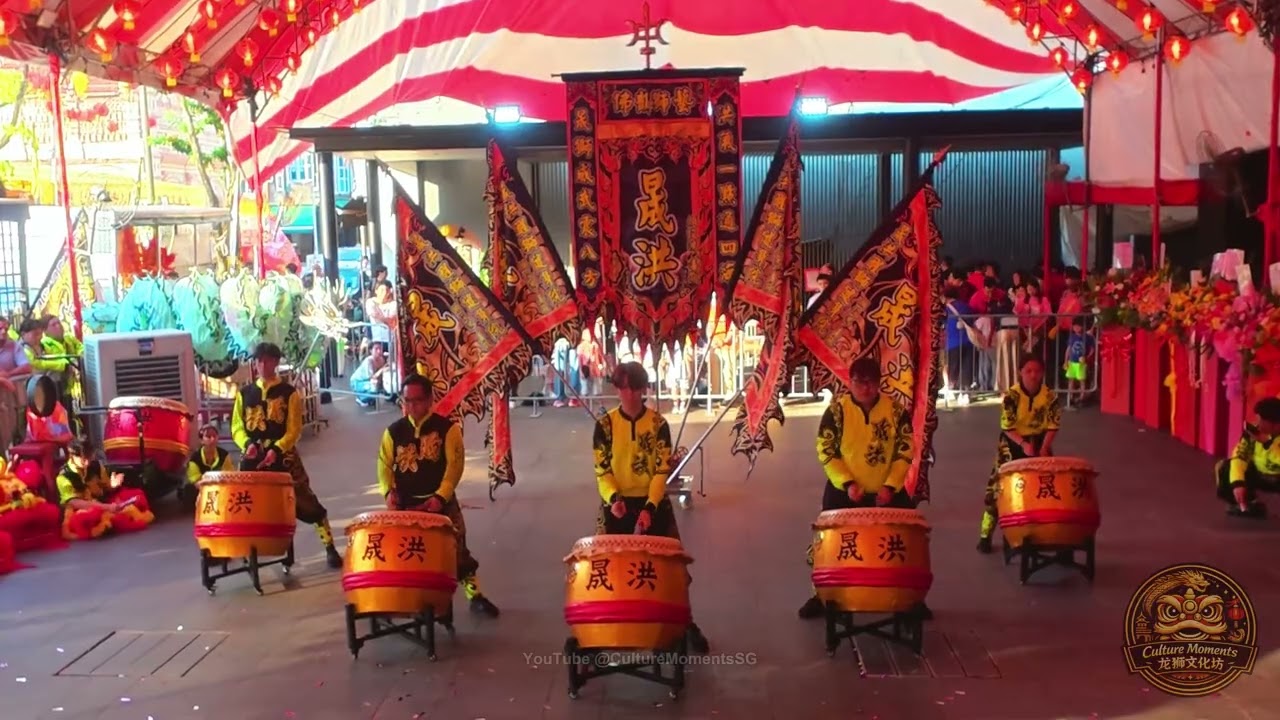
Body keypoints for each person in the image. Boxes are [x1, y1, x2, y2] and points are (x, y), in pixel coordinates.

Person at [594, 361, 709, 653]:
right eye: (622, 388)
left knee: (674, 568)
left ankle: (686, 621)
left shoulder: (658, 425)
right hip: (617, 502)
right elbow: (602, 471)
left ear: (643, 390)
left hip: (653, 500)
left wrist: (650, 507)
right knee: (607, 569)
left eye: (633, 388)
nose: (627, 394)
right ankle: (607, 625)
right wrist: (613, 499)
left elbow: (661, 472)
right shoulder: (604, 425)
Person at [798, 357, 916, 619]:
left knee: (909, 538)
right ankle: (821, 594)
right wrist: (847, 483)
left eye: (871, 383)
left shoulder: (895, 411)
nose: (865, 388)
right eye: (859, 383)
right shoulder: (837, 412)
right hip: (845, 489)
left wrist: (891, 485)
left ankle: (912, 596)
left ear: (879, 384)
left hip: (888, 490)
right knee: (825, 543)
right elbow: (826, 451)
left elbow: (905, 450)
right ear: (849, 383)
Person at [376, 373, 500, 616]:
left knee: (457, 549)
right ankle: (407, 599)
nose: (412, 406)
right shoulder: (393, 432)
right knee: (405, 554)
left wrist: (441, 496)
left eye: (418, 400)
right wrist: (387, 491)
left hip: (438, 502)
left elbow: (455, 466)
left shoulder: (447, 429)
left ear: (430, 399)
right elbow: (384, 464)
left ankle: (474, 595)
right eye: (407, 400)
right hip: (406, 506)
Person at [233, 342, 342, 568]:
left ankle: (329, 545)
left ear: (276, 362)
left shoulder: (289, 393)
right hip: (253, 454)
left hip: (283, 454)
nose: (262, 365)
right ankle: (239, 547)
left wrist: (277, 449)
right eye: (258, 360)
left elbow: (294, 429)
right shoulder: (245, 394)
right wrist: (247, 444)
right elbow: (237, 427)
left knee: (305, 498)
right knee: (242, 502)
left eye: (267, 360)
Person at [977, 355, 1060, 553]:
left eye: (1037, 371)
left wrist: (1044, 448)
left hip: (1040, 441)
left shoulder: (1050, 396)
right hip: (1013, 442)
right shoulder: (1011, 397)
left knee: (1048, 487)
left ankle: (1048, 534)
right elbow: (1007, 427)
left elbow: (1053, 425)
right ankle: (985, 535)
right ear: (1021, 372)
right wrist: (1023, 444)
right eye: (1029, 371)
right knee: (998, 489)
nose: (1033, 375)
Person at [56, 439, 154, 541]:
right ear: (72, 456)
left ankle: (110, 520)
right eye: (84, 458)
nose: (87, 462)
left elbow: (106, 487)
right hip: (81, 509)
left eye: (90, 457)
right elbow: (74, 502)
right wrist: (106, 507)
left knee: (137, 495)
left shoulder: (96, 466)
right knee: (86, 518)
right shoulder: (64, 476)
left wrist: (113, 484)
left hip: (102, 502)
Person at [1215, 398, 1280, 518]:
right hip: (1260, 474)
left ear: (1276, 424)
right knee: (1224, 467)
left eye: (1261, 420)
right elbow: (1239, 457)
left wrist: (1267, 443)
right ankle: (1247, 504)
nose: (1257, 423)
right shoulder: (1253, 432)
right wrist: (1237, 483)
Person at [179, 424, 232, 510]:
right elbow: (196, 480)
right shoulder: (195, 458)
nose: (212, 439)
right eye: (208, 436)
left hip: (220, 486)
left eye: (214, 436)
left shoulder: (224, 455)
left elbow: (229, 475)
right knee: (189, 489)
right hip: (201, 487)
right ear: (201, 440)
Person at [350, 341, 394, 408]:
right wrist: (382, 369)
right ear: (371, 350)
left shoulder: (381, 359)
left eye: (380, 348)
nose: (379, 351)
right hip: (358, 381)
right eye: (376, 349)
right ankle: (362, 399)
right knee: (374, 385)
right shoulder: (369, 361)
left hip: (369, 381)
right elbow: (373, 377)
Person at [1062, 320, 1095, 408]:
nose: (1076, 328)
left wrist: (1087, 357)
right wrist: (1066, 360)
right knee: (1071, 380)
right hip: (1072, 361)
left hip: (1081, 363)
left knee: (1082, 381)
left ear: (1082, 326)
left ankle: (1082, 397)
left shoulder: (1088, 337)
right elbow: (1068, 349)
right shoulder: (1072, 337)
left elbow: (1092, 349)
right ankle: (1071, 397)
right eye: (1074, 327)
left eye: (1078, 326)